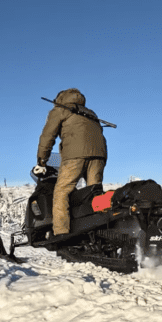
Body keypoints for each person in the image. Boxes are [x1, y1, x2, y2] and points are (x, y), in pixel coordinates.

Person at [36, 88, 107, 239]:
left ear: (59, 99)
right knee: (94, 195)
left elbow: (47, 137)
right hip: (99, 155)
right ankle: (98, 231)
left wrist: (42, 161)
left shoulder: (60, 110)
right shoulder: (90, 113)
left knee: (62, 192)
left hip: (74, 156)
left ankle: (61, 234)